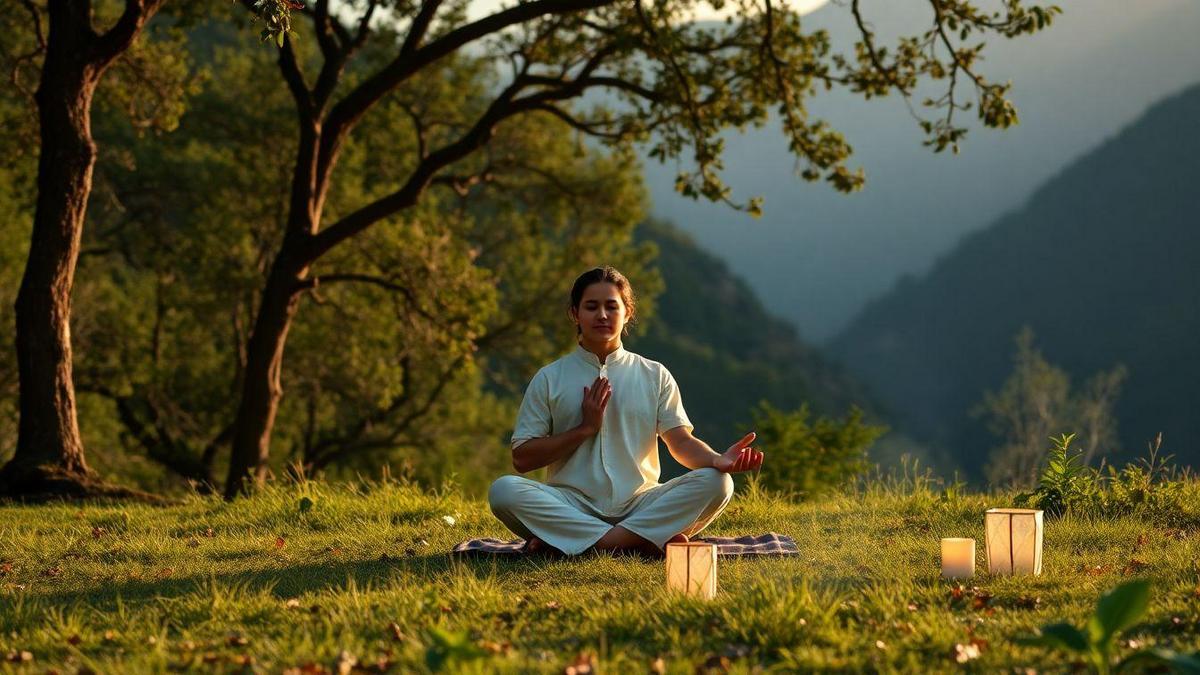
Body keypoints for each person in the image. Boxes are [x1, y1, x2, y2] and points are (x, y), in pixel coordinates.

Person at [487, 266, 765, 558]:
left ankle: (578, 542)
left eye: (612, 306)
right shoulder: (550, 377)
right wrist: (584, 429)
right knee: (503, 491)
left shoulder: (654, 375)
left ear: (628, 312)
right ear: (575, 314)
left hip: (641, 503)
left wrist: (717, 459)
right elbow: (522, 457)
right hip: (571, 504)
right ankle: (641, 541)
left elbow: (680, 443)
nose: (602, 315)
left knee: (718, 482)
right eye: (591, 307)